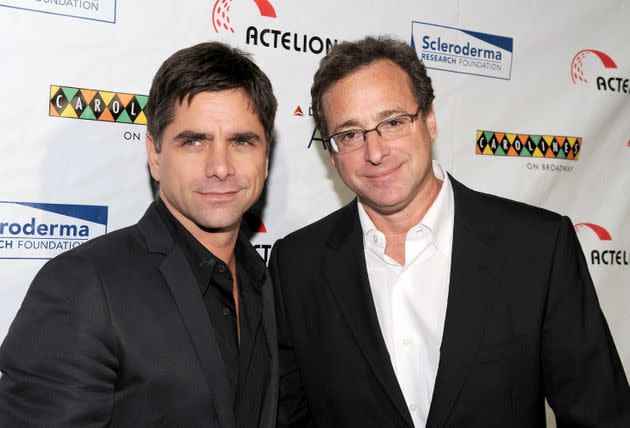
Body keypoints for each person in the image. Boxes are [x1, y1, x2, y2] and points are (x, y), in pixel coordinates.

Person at [270, 36, 630, 428]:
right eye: (350, 134)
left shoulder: (539, 247)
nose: (375, 152)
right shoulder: (296, 265)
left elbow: (601, 415)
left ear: (430, 120)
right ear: (332, 151)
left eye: (392, 123)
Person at [0, 41, 278, 427]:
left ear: (265, 159)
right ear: (155, 155)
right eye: (194, 141)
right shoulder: (83, 286)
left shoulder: (266, 280)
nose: (220, 167)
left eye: (241, 141)